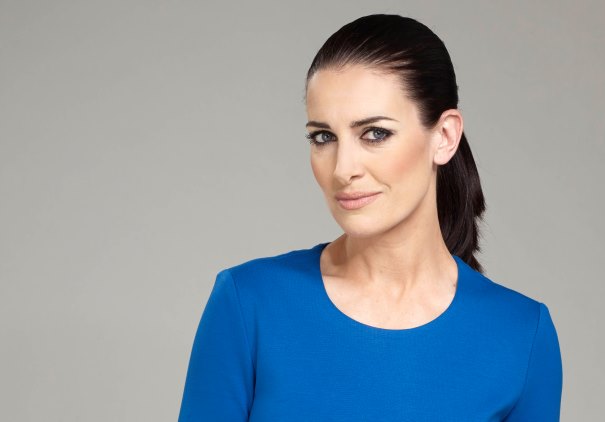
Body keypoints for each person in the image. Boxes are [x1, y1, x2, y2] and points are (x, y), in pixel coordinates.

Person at [178, 13, 563, 421]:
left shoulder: (520, 335)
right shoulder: (248, 303)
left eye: (375, 133)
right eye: (323, 137)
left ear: (445, 137)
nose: (343, 169)